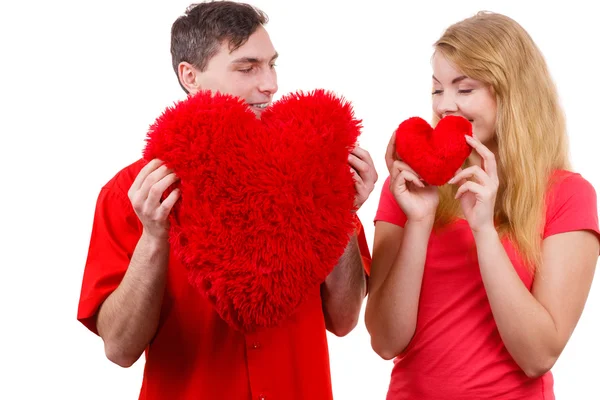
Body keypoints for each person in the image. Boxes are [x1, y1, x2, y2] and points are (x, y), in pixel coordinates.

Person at [77, 2, 377, 399]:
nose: (269, 83)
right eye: (247, 67)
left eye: (272, 65)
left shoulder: (313, 171)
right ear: (191, 77)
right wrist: (153, 237)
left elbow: (344, 321)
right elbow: (119, 349)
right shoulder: (131, 193)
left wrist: (340, 211)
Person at [365, 11, 600, 399]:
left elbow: (537, 355)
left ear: (512, 92)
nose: (446, 106)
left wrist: (484, 231)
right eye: (438, 89)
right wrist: (420, 222)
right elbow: (385, 342)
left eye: (464, 88)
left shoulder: (568, 196)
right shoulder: (407, 189)